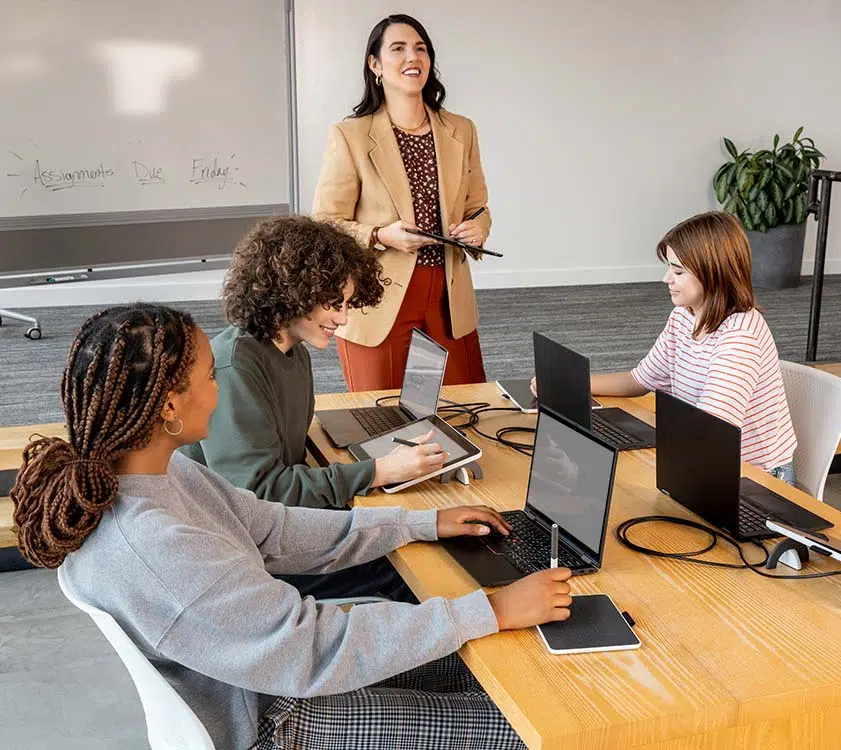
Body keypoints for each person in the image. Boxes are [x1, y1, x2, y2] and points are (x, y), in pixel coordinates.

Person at [11, 303, 572, 750]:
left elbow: (273, 529)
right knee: (527, 728)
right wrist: (492, 609)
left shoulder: (164, 473)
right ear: (168, 407)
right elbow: (311, 648)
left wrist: (419, 524)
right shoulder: (156, 544)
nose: (220, 389)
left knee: (497, 669)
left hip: (272, 671)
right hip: (276, 715)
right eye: (210, 376)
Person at [181, 215, 442, 601]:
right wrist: (377, 470)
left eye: (348, 303)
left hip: (271, 529)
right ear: (292, 292)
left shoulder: (291, 352)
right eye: (333, 304)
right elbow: (261, 493)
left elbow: (285, 462)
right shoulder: (235, 366)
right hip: (245, 554)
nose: (344, 318)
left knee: (404, 535)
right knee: (412, 573)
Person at [547, 211, 798, 480]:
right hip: (707, 459)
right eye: (669, 268)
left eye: (678, 271)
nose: (667, 279)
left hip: (756, 478)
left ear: (713, 273)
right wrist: (564, 383)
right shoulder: (684, 315)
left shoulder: (740, 335)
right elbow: (639, 381)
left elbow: (711, 431)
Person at [313, 13, 491, 391]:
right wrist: (379, 235)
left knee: (470, 407)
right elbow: (326, 223)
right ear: (375, 64)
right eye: (398, 49)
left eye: (421, 49)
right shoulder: (351, 135)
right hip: (378, 294)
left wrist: (479, 227)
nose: (413, 57)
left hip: (447, 292)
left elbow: (478, 207)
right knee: (381, 418)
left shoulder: (461, 129)